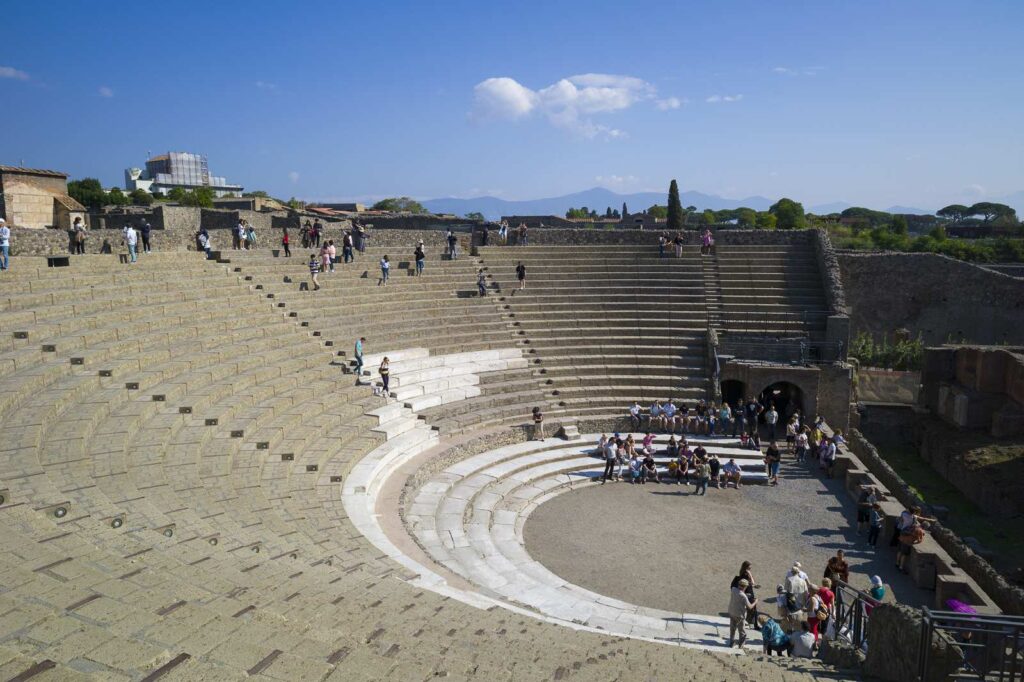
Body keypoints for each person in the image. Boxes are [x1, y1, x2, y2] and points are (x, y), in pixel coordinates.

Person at [727, 579, 757, 648]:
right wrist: (755, 602)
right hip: (740, 615)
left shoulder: (734, 589)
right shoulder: (743, 596)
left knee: (732, 629)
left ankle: (731, 643)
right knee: (742, 631)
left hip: (732, 612)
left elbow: (738, 593)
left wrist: (745, 595)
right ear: (745, 587)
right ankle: (741, 645)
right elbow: (749, 607)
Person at [731, 561, 761, 629]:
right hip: (749, 593)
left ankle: (745, 622)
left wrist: (754, 586)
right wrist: (750, 574)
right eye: (749, 568)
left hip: (746, 592)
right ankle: (755, 625)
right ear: (746, 567)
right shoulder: (746, 574)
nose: (750, 569)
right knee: (753, 609)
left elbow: (748, 584)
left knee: (746, 609)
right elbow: (752, 582)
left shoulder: (742, 573)